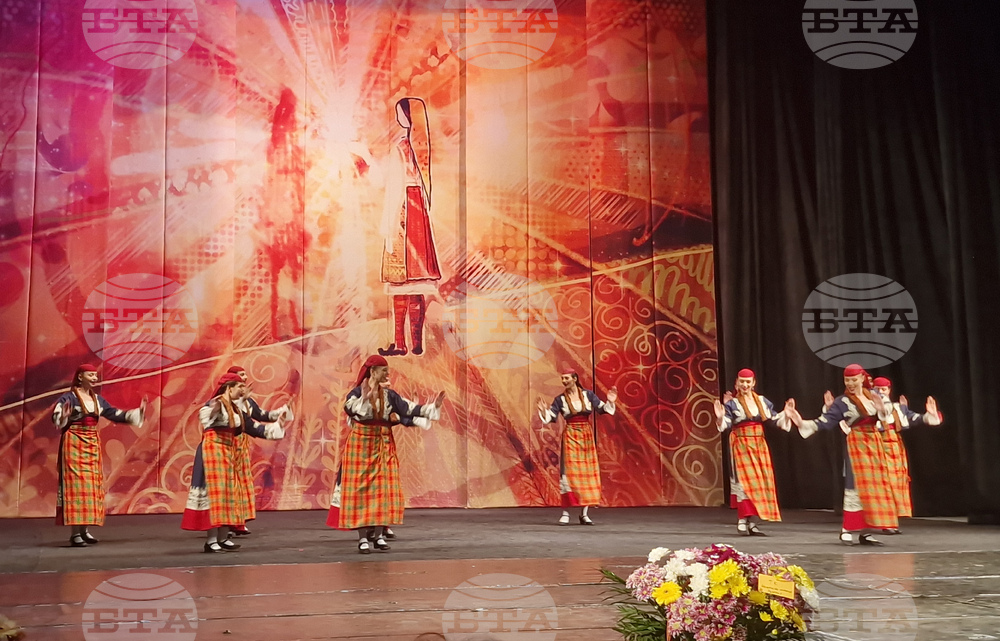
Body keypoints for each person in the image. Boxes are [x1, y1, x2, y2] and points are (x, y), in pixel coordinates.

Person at [326, 355, 445, 553]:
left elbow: (408, 408)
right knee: (361, 491)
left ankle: (379, 535)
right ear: (373, 372)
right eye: (384, 370)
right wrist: (365, 398)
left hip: (383, 445)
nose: (387, 374)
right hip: (361, 446)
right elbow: (351, 410)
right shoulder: (356, 393)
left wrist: (432, 408)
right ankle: (363, 538)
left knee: (384, 488)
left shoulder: (390, 395)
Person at [787, 364, 912, 546]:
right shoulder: (842, 402)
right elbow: (826, 421)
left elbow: (886, 419)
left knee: (875, 486)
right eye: (847, 380)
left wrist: (881, 409)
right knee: (855, 485)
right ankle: (847, 529)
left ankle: (866, 531)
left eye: (854, 380)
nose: (850, 383)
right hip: (857, 444)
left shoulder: (874, 396)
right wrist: (801, 422)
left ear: (862, 378)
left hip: (875, 443)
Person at [181, 373, 285, 552]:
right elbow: (209, 420)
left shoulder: (236, 409)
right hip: (212, 453)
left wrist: (277, 427)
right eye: (239, 387)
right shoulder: (214, 405)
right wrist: (222, 408)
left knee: (229, 493)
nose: (243, 389)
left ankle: (222, 538)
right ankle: (211, 541)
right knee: (215, 496)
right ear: (229, 388)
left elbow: (253, 427)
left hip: (227, 453)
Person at [51, 364, 145, 547]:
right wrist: (64, 416)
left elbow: (114, 414)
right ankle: (75, 533)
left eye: (95, 375)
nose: (95, 378)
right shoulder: (69, 398)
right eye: (91, 375)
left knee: (91, 487)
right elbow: (57, 417)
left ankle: (84, 530)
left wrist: (136, 414)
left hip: (91, 443)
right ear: (80, 377)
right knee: (76, 487)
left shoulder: (97, 400)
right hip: (74, 443)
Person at [378, 97, 441, 357]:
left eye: (400, 115)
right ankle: (416, 343)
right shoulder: (423, 151)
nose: (398, 119)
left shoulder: (401, 148)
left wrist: (388, 226)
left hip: (403, 212)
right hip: (419, 217)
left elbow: (394, 187)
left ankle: (400, 343)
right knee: (416, 284)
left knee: (401, 281)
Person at [713, 369, 796, 536]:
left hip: (759, 445)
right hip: (742, 445)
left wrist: (786, 414)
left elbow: (773, 420)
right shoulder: (733, 404)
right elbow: (726, 424)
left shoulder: (762, 401)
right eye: (742, 382)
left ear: (753, 383)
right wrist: (721, 417)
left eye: (748, 382)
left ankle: (753, 522)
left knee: (760, 483)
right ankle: (742, 520)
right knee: (745, 483)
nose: (745, 385)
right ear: (737, 383)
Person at [536, 368, 618, 526]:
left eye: (566, 378)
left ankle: (584, 514)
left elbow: (602, 409)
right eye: (562, 379)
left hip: (586, 436)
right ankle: (565, 513)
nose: (564, 381)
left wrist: (610, 401)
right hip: (571, 436)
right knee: (568, 473)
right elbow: (551, 417)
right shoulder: (560, 399)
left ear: (574, 379)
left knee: (586, 472)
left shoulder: (588, 395)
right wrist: (543, 410)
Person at [226, 365, 293, 536]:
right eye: (241, 376)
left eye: (245, 376)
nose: (245, 378)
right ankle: (225, 523)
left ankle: (238, 521)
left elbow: (261, 415)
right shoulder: (224, 403)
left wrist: (282, 412)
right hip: (227, 446)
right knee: (230, 483)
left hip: (241, 446)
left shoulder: (247, 401)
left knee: (241, 483)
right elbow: (241, 422)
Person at [871, 376, 942, 533]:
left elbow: (914, 418)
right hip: (877, 447)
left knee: (896, 483)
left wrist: (930, 415)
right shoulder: (869, 409)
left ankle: (891, 521)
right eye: (877, 389)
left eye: (884, 389)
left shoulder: (898, 408)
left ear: (889, 391)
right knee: (883, 484)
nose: (881, 392)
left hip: (895, 449)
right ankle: (882, 521)